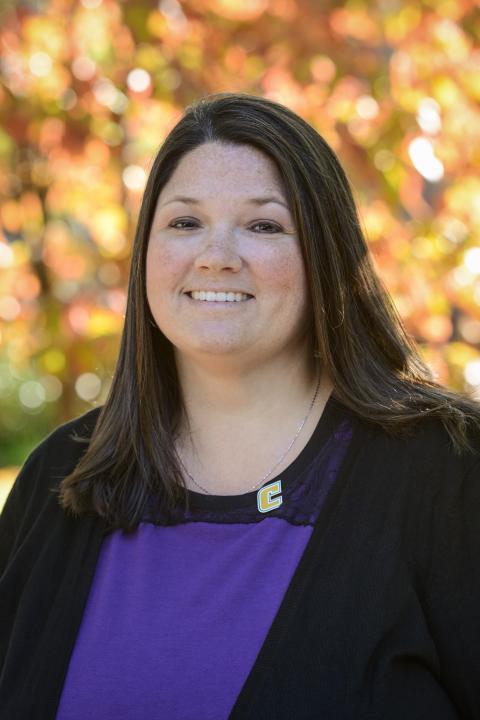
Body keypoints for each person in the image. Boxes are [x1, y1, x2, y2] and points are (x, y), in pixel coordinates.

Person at [1, 92, 480, 720]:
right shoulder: (61, 479)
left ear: (324, 254)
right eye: (184, 222)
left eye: (263, 225)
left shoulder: (449, 472)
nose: (216, 255)